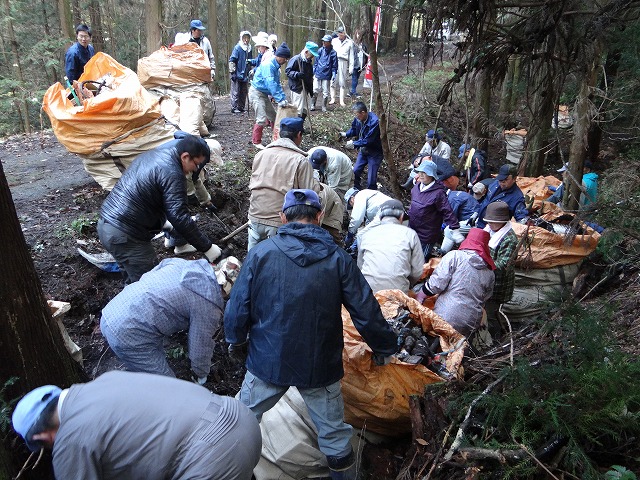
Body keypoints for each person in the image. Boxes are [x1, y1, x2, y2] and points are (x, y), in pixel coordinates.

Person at [224, 189, 397, 480]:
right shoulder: (338, 258)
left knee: (240, 420)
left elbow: (238, 305)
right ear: (319, 216)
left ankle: (225, 471)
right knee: (334, 435)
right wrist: (384, 347)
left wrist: (237, 340)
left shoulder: (261, 254)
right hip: (320, 365)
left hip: (268, 360)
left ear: (282, 217)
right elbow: (365, 309)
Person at [12, 371, 261, 479]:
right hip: (241, 419)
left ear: (43, 437)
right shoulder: (106, 381)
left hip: (212, 459)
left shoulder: (70, 439)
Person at [97, 135, 222, 284]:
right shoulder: (173, 172)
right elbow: (179, 216)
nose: (195, 169)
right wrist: (207, 247)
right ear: (185, 157)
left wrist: (161, 223)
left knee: (133, 282)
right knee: (150, 283)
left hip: (108, 226)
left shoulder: (156, 155)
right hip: (126, 236)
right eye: (196, 164)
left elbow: (148, 197)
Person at [100, 258, 223, 383]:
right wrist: (201, 374)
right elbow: (200, 347)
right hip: (127, 334)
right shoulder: (208, 306)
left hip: (112, 310)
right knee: (168, 386)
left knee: (146, 357)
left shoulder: (179, 263)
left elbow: (147, 276)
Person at [247, 117, 318, 250]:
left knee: (252, 258)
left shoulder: (260, 155)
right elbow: (309, 194)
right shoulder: (300, 160)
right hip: (280, 221)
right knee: (277, 259)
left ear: (280, 133)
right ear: (299, 134)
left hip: (254, 215)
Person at [415, 228, 495, 337]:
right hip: (471, 322)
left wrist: (421, 294)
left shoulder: (455, 256)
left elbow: (436, 284)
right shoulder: (490, 273)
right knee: (457, 344)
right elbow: (485, 298)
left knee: (435, 339)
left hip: (445, 316)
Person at [357, 199, 424, 293]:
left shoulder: (367, 235)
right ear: (401, 216)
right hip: (397, 291)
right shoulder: (410, 234)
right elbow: (417, 271)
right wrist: (405, 281)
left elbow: (360, 265)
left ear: (380, 217)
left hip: (368, 289)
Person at [407, 160, 463, 258]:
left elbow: (447, 211)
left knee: (420, 260)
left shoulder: (438, 193)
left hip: (427, 234)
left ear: (431, 175)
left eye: (425, 172)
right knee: (408, 255)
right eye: (420, 172)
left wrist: (455, 229)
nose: (421, 175)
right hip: (412, 229)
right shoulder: (416, 187)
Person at [481, 201, 518, 338]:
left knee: (490, 313)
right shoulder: (489, 230)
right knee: (488, 310)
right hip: (487, 279)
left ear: (502, 222)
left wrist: (483, 264)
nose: (489, 224)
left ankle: (495, 338)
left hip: (498, 284)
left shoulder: (509, 239)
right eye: (488, 221)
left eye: (493, 222)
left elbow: (504, 264)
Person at [249, 42, 292, 148]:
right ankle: (256, 141)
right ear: (280, 56)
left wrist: (282, 98)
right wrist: (279, 99)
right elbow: (271, 84)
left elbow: (277, 84)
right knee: (261, 118)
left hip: (263, 93)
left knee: (273, 116)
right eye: (285, 58)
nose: (285, 61)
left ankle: (276, 138)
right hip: (256, 92)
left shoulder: (275, 67)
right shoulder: (268, 65)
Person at [341, 101, 384, 190]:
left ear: (363, 113)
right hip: (363, 151)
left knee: (371, 179)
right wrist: (346, 134)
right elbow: (354, 129)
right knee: (355, 171)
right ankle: (356, 189)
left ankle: (371, 193)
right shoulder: (358, 119)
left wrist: (354, 144)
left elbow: (369, 140)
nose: (355, 116)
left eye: (357, 114)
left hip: (374, 153)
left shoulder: (374, 122)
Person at [437, 162, 478, 253]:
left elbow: (451, 218)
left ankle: (462, 249)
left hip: (473, 221)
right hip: (472, 217)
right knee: (449, 230)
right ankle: (443, 251)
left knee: (450, 230)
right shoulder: (454, 194)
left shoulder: (452, 200)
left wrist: (439, 228)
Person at [474, 164, 529, 229]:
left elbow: (522, 219)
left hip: (493, 229)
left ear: (514, 179)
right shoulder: (495, 183)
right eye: (500, 179)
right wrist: (476, 213)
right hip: (479, 222)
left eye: (505, 180)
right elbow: (484, 200)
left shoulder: (517, 197)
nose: (502, 182)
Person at [285, 42, 319, 118]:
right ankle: (295, 124)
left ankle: (300, 123)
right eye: (312, 54)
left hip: (305, 89)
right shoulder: (296, 59)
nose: (313, 56)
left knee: (304, 110)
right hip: (297, 88)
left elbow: (309, 78)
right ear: (306, 52)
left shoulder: (309, 63)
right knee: (298, 110)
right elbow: (288, 72)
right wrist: (296, 74)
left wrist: (310, 90)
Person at [312, 35, 338, 112]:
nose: (323, 42)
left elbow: (334, 65)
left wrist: (334, 73)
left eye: (325, 41)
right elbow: (316, 62)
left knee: (325, 92)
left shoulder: (333, 53)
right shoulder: (320, 50)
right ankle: (313, 104)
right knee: (315, 89)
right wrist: (313, 71)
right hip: (318, 72)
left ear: (329, 42)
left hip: (327, 74)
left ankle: (324, 106)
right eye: (323, 41)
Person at [229, 31, 253, 113]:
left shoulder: (249, 48)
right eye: (244, 38)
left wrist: (250, 71)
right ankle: (234, 107)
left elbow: (250, 61)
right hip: (237, 72)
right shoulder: (238, 48)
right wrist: (232, 72)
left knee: (243, 91)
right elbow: (232, 60)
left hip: (245, 74)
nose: (246, 40)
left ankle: (241, 107)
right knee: (235, 91)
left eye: (248, 38)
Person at [330, 26, 353, 106]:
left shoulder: (349, 42)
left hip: (343, 61)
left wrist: (351, 68)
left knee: (342, 81)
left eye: (341, 32)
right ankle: (332, 98)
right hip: (334, 61)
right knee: (333, 80)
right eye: (339, 32)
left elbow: (351, 56)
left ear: (345, 33)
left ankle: (341, 100)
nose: (340, 34)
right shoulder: (334, 41)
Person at [350, 30, 368, 98]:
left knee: (356, 78)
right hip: (355, 64)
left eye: (360, 34)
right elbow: (352, 54)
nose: (359, 36)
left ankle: (352, 91)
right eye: (358, 34)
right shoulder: (353, 44)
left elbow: (365, 55)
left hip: (361, 64)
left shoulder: (363, 45)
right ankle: (353, 91)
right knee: (354, 77)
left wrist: (365, 64)